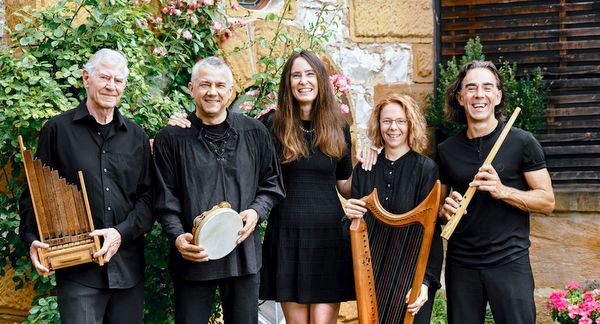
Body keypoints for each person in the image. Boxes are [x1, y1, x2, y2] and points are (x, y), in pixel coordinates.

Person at [18, 48, 154, 324]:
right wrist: (32, 239)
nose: (111, 86)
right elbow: (35, 194)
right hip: (77, 269)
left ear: (124, 86)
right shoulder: (57, 130)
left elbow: (149, 200)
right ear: (85, 78)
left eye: (118, 80)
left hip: (127, 270)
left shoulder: (137, 136)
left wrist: (119, 233)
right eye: (104, 77)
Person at [153, 56, 285, 324]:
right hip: (193, 257)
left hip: (243, 255)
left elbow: (272, 183)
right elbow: (164, 197)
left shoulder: (255, 132)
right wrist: (178, 238)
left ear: (230, 90)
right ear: (192, 89)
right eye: (204, 85)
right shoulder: (171, 138)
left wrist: (256, 211)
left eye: (219, 85)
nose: (212, 92)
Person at [437, 60, 555, 324]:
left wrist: (504, 191)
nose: (479, 94)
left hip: (509, 262)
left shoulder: (522, 142)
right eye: (471, 88)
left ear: (498, 95)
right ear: (460, 97)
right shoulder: (446, 150)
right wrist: (445, 210)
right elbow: (439, 210)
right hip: (461, 264)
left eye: (487, 87)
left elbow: (547, 201)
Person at [255, 50, 354, 324]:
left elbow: (345, 184)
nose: (303, 81)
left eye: (310, 74)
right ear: (288, 83)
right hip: (288, 233)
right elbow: (234, 138)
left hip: (329, 236)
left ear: (321, 80)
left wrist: (375, 165)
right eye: (296, 75)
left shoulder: (338, 126)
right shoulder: (272, 125)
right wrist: (190, 121)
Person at [344, 94, 443, 324]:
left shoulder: (426, 169)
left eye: (401, 121)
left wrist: (425, 283)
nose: (393, 127)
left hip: (411, 276)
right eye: (387, 121)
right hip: (373, 276)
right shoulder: (365, 168)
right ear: (378, 125)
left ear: (411, 125)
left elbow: (431, 232)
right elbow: (354, 228)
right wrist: (349, 215)